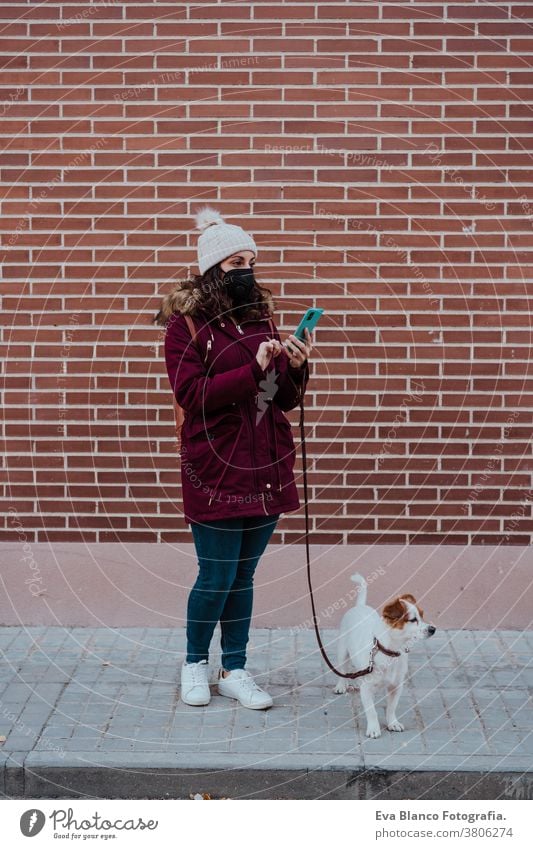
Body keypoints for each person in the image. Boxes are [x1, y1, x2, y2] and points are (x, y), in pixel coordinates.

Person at [153, 206, 312, 710]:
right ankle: (195, 664)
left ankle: (236, 668)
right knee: (215, 575)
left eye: (250, 260)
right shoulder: (187, 327)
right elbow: (192, 393)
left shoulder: (259, 318)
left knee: (243, 576)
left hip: (265, 462)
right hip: (216, 467)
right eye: (233, 262)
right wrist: (253, 369)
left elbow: (280, 399)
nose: (245, 270)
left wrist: (294, 367)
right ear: (211, 270)